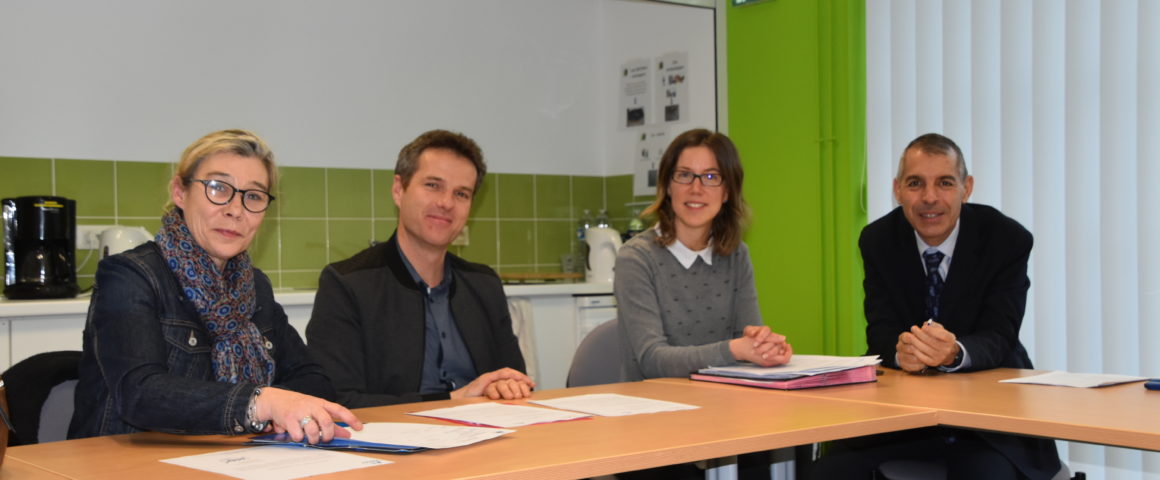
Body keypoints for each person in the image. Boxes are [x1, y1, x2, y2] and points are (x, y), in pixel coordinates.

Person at [70, 130, 362, 444]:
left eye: (253, 196)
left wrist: (274, 407)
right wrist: (260, 404)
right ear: (180, 192)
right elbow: (140, 394)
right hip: (123, 459)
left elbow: (314, 381)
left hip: (226, 455)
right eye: (218, 188)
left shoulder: (254, 286)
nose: (236, 209)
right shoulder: (130, 275)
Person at [810, 133, 1060, 479]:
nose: (929, 197)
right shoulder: (878, 240)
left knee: (986, 475)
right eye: (915, 183)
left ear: (966, 188)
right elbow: (881, 332)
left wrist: (954, 353)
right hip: (904, 416)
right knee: (829, 471)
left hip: (987, 419)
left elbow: (1000, 335)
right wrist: (901, 352)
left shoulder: (1006, 238)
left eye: (945, 183)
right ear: (898, 190)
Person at [307, 129, 532, 408]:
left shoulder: (484, 284)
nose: (446, 203)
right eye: (433, 185)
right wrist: (452, 399)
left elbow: (513, 378)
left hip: (488, 429)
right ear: (398, 190)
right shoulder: (347, 284)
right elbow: (337, 400)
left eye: (461, 193)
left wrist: (506, 387)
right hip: (393, 433)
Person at [614, 128, 792, 479]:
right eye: (685, 175)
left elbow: (748, 335)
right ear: (667, 186)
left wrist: (765, 347)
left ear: (727, 191)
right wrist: (737, 349)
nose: (697, 189)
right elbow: (652, 360)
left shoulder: (737, 254)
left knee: (782, 457)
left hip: (723, 414)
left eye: (711, 177)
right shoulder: (636, 258)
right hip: (651, 426)